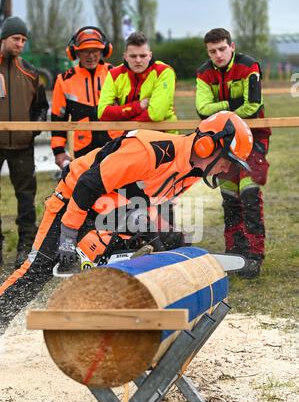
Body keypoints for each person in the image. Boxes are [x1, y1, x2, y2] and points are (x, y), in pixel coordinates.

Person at [0, 111, 253, 332]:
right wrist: (68, 237)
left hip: (112, 215)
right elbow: (88, 184)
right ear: (207, 146)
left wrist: (158, 240)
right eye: (226, 162)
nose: (225, 170)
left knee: (110, 273)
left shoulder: (192, 172)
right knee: (37, 272)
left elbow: (151, 201)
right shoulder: (151, 151)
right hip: (74, 199)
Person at [196, 28, 271, 278]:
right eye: (212, 51)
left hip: (253, 140)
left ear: (232, 46)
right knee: (230, 199)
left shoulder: (249, 65)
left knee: (249, 195)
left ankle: (253, 256)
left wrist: (220, 114)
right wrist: (231, 106)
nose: (218, 55)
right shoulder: (203, 73)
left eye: (221, 49)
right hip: (222, 145)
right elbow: (202, 108)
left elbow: (254, 104)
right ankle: (235, 253)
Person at [0, 16, 49, 268]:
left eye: (23, 40)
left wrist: (32, 131)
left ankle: (25, 248)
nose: (20, 44)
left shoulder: (31, 72)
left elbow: (42, 108)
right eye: (15, 39)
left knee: (26, 200)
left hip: (22, 146)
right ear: (4, 38)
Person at [51, 26, 114, 170]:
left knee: (120, 190)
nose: (90, 56)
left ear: (104, 51)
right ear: (75, 53)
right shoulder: (64, 80)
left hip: (116, 145)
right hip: (83, 149)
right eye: (85, 51)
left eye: (95, 50)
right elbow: (58, 119)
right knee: (86, 190)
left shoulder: (116, 75)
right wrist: (59, 151)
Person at [97, 32, 177, 133]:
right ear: (125, 56)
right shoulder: (114, 74)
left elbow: (156, 114)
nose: (138, 60)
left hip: (163, 138)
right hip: (128, 140)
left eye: (143, 56)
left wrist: (126, 125)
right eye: (133, 56)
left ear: (150, 55)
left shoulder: (164, 72)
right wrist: (138, 107)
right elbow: (102, 113)